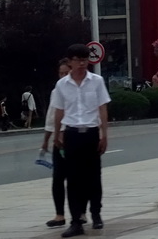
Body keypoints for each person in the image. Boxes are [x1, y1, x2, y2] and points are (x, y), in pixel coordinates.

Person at [52, 43, 110, 237]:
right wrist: (57, 133)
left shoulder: (97, 81)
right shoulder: (62, 85)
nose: (82, 63)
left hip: (92, 133)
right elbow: (59, 111)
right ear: (70, 62)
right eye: (78, 60)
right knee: (74, 180)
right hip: (72, 134)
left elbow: (102, 109)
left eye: (85, 60)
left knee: (93, 177)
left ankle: (96, 214)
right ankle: (76, 220)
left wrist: (104, 135)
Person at [41, 59, 72, 228]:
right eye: (60, 73)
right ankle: (59, 214)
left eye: (66, 73)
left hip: (74, 137)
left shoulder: (77, 89)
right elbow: (51, 118)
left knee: (77, 179)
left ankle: (80, 213)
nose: (63, 76)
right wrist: (46, 140)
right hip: (58, 140)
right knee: (58, 178)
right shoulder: (56, 91)